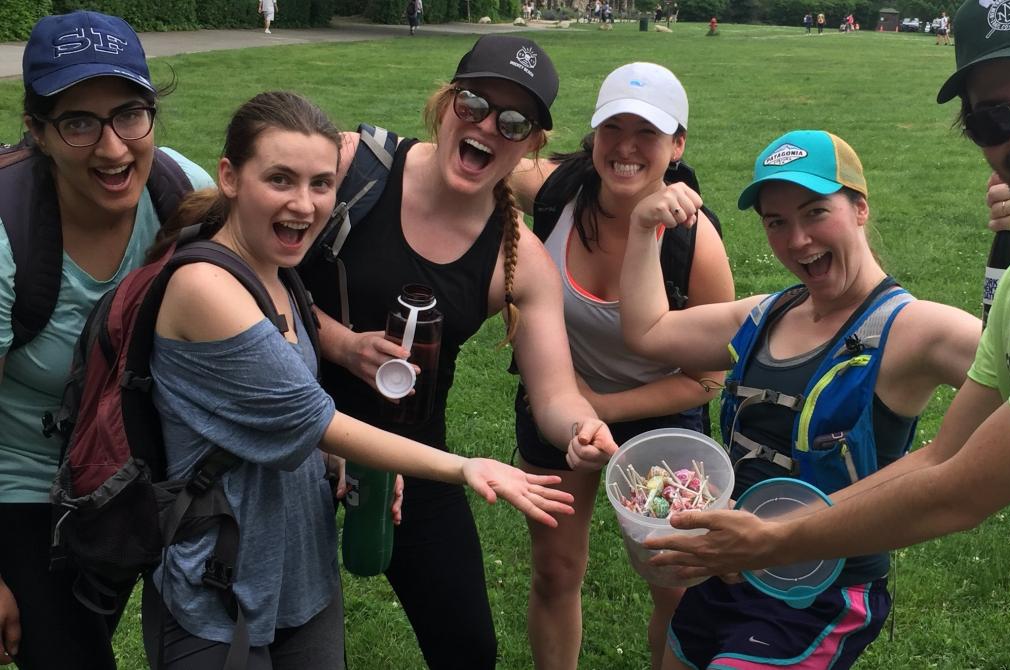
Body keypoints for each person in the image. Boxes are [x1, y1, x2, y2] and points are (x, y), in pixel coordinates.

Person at [645, 0, 1010, 666]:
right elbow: (940, 457)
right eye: (992, 118)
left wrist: (767, 543)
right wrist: (763, 530)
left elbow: (961, 493)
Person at [139, 90, 572, 670]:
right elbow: (306, 417)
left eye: (320, 185)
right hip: (218, 587)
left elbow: (271, 424)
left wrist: (349, 463)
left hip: (299, 575)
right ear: (230, 177)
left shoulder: (283, 276)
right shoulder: (205, 288)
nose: (305, 203)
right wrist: (465, 466)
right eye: (280, 180)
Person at [296, 35, 618, 669]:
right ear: (444, 104)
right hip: (292, 434)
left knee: (468, 648)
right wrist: (341, 343)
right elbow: (243, 273)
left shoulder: (516, 259)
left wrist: (581, 426)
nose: (487, 126)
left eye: (515, 121)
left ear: (532, 144)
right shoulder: (352, 168)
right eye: (473, 103)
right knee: (271, 636)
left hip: (414, 454)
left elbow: (554, 393)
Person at [619, 129, 980, 670]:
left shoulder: (912, 329)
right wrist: (643, 227)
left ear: (859, 208)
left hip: (821, 593)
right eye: (776, 222)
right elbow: (648, 331)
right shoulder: (765, 316)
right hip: (731, 568)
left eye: (815, 213)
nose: (797, 240)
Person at [0, 11, 213, 668]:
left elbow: (264, 317)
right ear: (37, 131)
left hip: (153, 469)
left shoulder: (189, 195)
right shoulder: (8, 238)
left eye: (129, 114)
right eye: (79, 122)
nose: (114, 148)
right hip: (33, 484)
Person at [507, 62, 734, 670]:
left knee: (676, 588)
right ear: (594, 134)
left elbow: (708, 377)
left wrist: (603, 407)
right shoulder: (558, 194)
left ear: (677, 145)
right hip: (558, 404)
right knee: (555, 571)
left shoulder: (695, 242)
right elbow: (482, 162)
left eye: (648, 133)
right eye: (614, 128)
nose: (626, 148)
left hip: (661, 415)